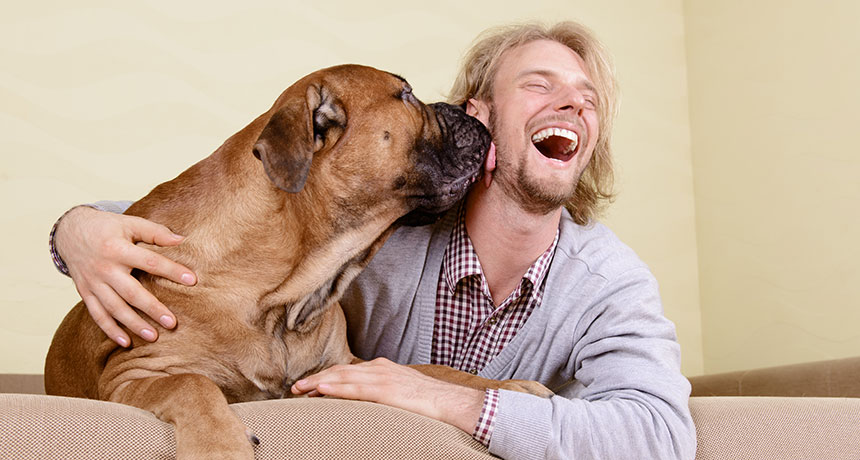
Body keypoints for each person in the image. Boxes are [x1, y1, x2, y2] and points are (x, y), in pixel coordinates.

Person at [50, 21, 696, 460]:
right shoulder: (375, 225)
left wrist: (451, 398)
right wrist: (75, 229)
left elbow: (662, 435)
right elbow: (207, 225)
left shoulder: (611, 280)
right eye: (539, 84)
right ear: (480, 117)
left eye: (589, 97)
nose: (575, 104)